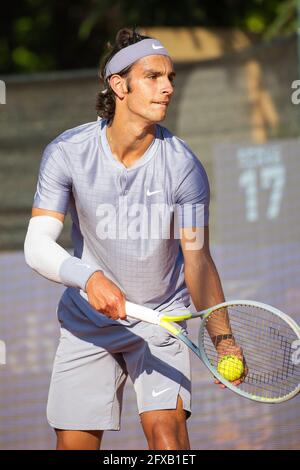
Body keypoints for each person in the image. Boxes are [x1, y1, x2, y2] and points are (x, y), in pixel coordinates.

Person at [24, 27, 244, 451]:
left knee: (168, 443)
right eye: (154, 77)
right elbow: (37, 246)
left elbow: (197, 261)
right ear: (118, 85)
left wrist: (223, 339)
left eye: (171, 78)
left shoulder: (184, 168)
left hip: (162, 322)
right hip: (88, 323)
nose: (167, 88)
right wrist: (89, 279)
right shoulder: (67, 153)